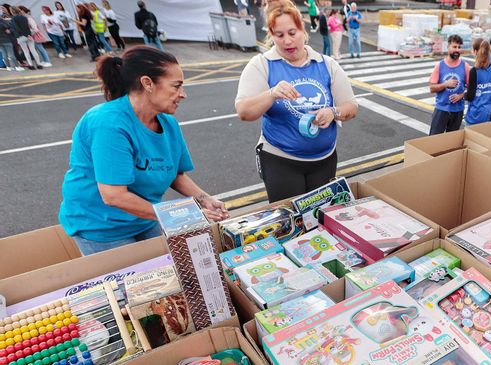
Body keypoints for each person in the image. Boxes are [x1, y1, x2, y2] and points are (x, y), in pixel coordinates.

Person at [59, 47, 229, 255]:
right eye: (176, 86)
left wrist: (206, 199)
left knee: (173, 270)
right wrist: (181, 216)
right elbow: (114, 196)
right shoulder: (108, 124)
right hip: (102, 226)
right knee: (134, 284)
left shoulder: (168, 123)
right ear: (147, 83)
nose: (183, 94)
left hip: (145, 216)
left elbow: (175, 174)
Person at [234, 4, 359, 202]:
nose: (287, 41)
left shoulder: (326, 63)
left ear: (303, 29)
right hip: (281, 161)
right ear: (272, 36)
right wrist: (272, 94)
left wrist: (333, 112)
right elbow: (244, 111)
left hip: (324, 160)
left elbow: (351, 107)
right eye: (279, 35)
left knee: (322, 217)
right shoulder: (262, 64)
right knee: (292, 223)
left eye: (292, 32)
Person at [428, 34, 469, 135]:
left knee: (451, 142)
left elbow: (472, 88)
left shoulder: (465, 66)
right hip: (441, 109)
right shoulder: (440, 66)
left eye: (459, 47)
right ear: (448, 47)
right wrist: (445, 84)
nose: (457, 50)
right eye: (454, 47)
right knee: (434, 140)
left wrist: (461, 95)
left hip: (458, 110)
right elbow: (432, 88)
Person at [465, 38, 491, 126]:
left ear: (475, 51)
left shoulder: (474, 71)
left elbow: (470, 96)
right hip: (488, 114)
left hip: (475, 114)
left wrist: (463, 93)